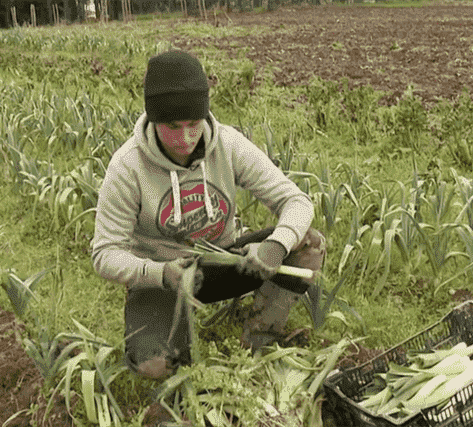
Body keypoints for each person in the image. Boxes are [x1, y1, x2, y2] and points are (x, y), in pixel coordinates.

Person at [91, 50, 326, 379]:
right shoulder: (128, 166)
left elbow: (296, 201)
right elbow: (104, 253)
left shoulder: (228, 145)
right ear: (154, 119)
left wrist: (274, 246)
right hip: (162, 280)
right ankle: (178, 352)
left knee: (307, 244)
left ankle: (255, 347)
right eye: (173, 126)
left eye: (193, 124)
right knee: (155, 364)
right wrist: (160, 273)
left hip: (222, 262)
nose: (186, 138)